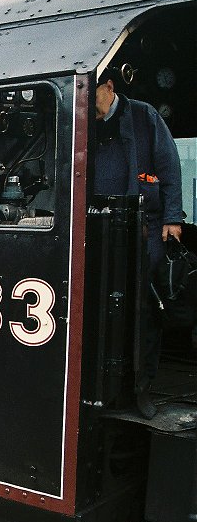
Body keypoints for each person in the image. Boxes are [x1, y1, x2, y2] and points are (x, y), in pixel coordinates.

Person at [93, 66, 183, 417]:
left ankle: (141, 389)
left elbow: (170, 167)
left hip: (145, 228)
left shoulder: (145, 117)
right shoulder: (84, 122)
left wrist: (173, 218)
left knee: (145, 308)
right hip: (99, 230)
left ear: (109, 87)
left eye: (91, 91)